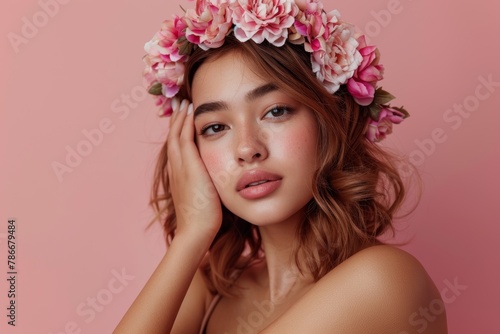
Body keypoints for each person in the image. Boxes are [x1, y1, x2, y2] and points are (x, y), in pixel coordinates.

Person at [114, 0, 447, 333]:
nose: (247, 148)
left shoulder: (382, 279)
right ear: (189, 150)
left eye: (275, 111)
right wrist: (190, 236)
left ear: (330, 120)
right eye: (215, 127)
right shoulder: (213, 291)